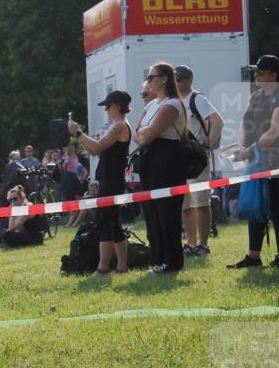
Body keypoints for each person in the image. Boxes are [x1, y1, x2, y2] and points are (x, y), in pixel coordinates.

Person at [69, 90, 132, 274]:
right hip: (110, 178)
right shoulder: (117, 126)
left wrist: (78, 132)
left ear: (118, 106)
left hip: (111, 180)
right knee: (112, 222)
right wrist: (80, 136)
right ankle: (121, 267)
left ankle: (103, 267)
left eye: (108, 106)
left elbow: (96, 147)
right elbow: (94, 151)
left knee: (104, 221)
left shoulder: (119, 126)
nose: (106, 110)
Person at [134, 61, 188, 275]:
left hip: (167, 161)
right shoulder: (152, 105)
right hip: (150, 161)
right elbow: (138, 133)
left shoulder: (172, 104)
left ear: (164, 78)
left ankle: (172, 262)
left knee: (167, 213)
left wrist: (144, 133)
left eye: (151, 77)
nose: (148, 82)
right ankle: (160, 259)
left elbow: (148, 134)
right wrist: (144, 133)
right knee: (152, 212)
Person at [229, 54, 279, 268]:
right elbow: (245, 123)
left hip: (275, 163)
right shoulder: (256, 96)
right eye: (255, 72)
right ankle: (253, 257)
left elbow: (275, 131)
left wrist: (249, 150)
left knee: (277, 208)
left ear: (273, 75)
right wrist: (242, 147)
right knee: (255, 207)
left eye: (260, 72)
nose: (256, 75)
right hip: (258, 162)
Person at [174, 65, 225, 258]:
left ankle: (203, 244)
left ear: (188, 80)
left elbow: (218, 121)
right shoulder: (174, 101)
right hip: (181, 159)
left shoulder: (198, 99)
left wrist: (208, 142)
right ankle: (191, 243)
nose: (175, 83)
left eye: (178, 79)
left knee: (201, 202)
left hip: (197, 159)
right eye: (174, 80)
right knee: (186, 204)